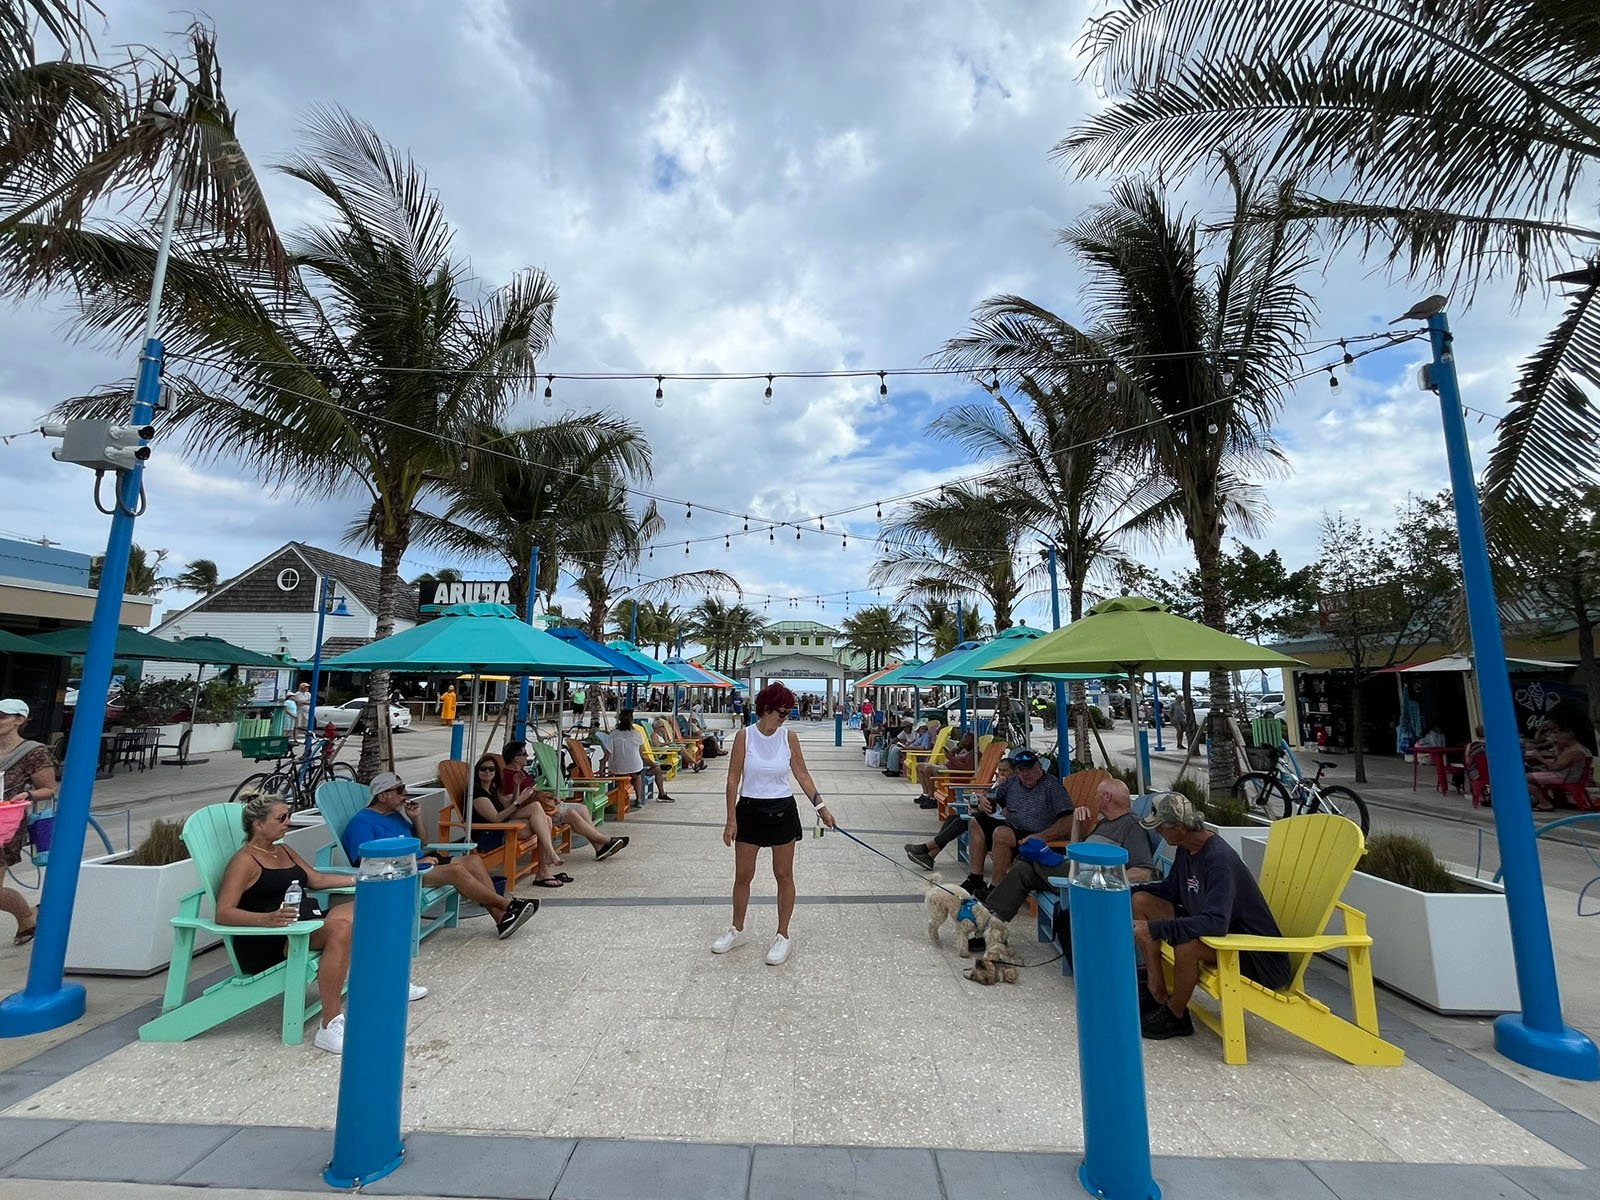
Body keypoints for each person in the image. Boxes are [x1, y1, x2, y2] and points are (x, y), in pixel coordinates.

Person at [217, 794, 425, 1054]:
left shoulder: (283, 849)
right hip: (269, 938)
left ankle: (387, 982)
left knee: (373, 910)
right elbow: (224, 912)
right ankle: (330, 1023)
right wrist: (265, 919)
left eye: (289, 816)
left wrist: (362, 879)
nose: (288, 822)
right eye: (281, 818)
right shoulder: (244, 861)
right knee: (339, 929)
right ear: (258, 824)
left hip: (302, 923)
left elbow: (314, 880)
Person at [1132, 792, 1291, 1040]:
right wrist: (1125, 890)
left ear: (1181, 828)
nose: (1159, 834)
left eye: (1161, 829)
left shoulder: (1218, 859)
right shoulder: (1186, 848)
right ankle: (1157, 991)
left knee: (1187, 946)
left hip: (1257, 955)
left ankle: (1175, 1017)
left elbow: (1216, 922)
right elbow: (1170, 890)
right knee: (1141, 901)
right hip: (1222, 936)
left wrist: (1155, 929)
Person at [713, 681, 834, 964]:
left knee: (784, 875)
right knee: (743, 875)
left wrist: (821, 807)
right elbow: (733, 778)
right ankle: (737, 929)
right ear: (765, 709)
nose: (785, 718)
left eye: (789, 713)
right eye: (782, 712)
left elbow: (802, 774)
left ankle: (782, 935)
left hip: (782, 809)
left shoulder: (788, 737)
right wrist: (730, 819)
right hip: (750, 809)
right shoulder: (745, 737)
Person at [342, 773, 537, 939]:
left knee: (473, 860)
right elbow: (366, 862)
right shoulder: (362, 824)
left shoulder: (394, 816)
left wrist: (416, 818)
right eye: (399, 791)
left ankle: (501, 919)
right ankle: (508, 904)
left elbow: (423, 842)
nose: (405, 796)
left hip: (419, 863)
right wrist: (415, 862)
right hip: (400, 872)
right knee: (456, 870)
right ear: (383, 796)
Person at [982, 777, 1156, 925]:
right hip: (1074, 869)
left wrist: (1099, 878)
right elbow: (1074, 850)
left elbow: (1143, 873)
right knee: (1022, 870)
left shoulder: (1131, 826)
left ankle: (989, 916)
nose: (1095, 799)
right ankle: (992, 922)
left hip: (1087, 881)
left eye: (1097, 795)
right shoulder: (1106, 823)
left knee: (1029, 858)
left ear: (1107, 797)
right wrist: (1076, 824)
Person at [963, 748, 1080, 897]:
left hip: (1038, 836)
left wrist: (1042, 836)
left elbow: (1069, 820)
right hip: (1014, 827)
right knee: (976, 822)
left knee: (1001, 834)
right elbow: (991, 796)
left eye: (1030, 769)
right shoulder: (1012, 783)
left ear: (1039, 767)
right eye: (1021, 770)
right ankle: (975, 879)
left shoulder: (1052, 786)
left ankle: (996, 890)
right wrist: (982, 802)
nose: (1026, 774)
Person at [499, 741, 629, 860]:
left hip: (545, 804)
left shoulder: (522, 772)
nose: (527, 756)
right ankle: (604, 840)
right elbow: (513, 804)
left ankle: (599, 847)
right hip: (537, 811)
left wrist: (550, 797)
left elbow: (535, 790)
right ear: (516, 758)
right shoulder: (509, 777)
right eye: (525, 754)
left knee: (582, 808)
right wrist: (518, 787)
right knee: (571, 814)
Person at [1, 699, 56, 945]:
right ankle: (27, 918)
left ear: (19, 720)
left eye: (2, 716)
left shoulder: (32, 751)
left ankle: (26, 916)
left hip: (5, 825)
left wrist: (28, 795)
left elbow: (49, 789)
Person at [469, 755, 568, 888]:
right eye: (483, 769)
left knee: (546, 819)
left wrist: (516, 786)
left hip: (503, 829)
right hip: (490, 837)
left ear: (495, 772)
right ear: (477, 771)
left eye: (491, 769)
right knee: (539, 813)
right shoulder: (477, 793)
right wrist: (519, 800)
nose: (487, 772)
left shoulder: (493, 789)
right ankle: (547, 862)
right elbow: (496, 818)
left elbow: (507, 805)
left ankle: (544, 869)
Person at [905, 759, 1015, 870]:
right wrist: (982, 799)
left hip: (997, 824)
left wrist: (998, 789)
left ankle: (927, 848)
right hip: (987, 817)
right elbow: (986, 796)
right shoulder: (1000, 783)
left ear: (1014, 771)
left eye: (1005, 771)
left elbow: (999, 805)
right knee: (952, 818)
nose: (1001, 774)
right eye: (999, 770)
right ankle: (930, 855)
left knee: (961, 821)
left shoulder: (1012, 787)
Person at [1527, 723, 1590, 811]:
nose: (1556, 741)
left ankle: (1545, 804)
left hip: (1564, 778)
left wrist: (1539, 758)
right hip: (1566, 776)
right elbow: (1559, 762)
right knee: (1534, 773)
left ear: (1565, 739)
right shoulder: (1574, 748)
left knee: (1525, 778)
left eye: (1558, 739)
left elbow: (1554, 767)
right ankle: (1556, 800)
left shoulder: (1574, 751)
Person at [600, 709, 650, 808]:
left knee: (621, 776)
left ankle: (619, 797)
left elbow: (608, 753)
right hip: (635, 767)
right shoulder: (637, 733)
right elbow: (640, 753)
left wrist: (602, 766)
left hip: (618, 768)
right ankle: (638, 799)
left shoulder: (614, 734)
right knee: (637, 777)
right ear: (632, 720)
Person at [916, 730, 974, 809]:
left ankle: (931, 797)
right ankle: (925, 794)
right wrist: (953, 753)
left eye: (966, 740)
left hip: (952, 772)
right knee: (919, 766)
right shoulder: (964, 750)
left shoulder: (973, 753)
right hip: (947, 767)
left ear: (972, 741)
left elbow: (967, 769)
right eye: (963, 739)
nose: (963, 742)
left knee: (928, 769)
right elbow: (956, 759)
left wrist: (951, 758)